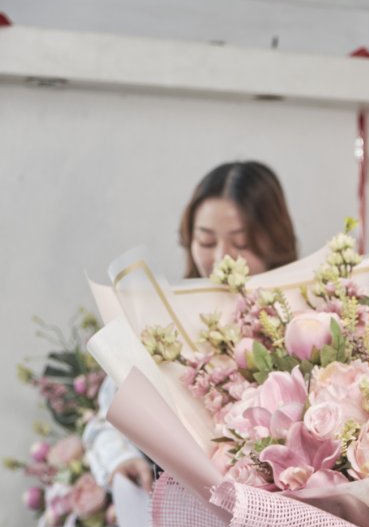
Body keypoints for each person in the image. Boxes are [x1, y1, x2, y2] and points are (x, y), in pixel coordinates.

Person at [84, 160, 299, 492]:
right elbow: (108, 419)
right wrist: (119, 460)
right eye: (207, 242)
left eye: (241, 244)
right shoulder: (157, 322)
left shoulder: (302, 321)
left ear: (274, 240)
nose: (222, 258)